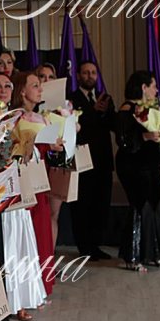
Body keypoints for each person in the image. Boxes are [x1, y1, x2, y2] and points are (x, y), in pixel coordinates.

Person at [114, 71, 160, 271]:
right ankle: (132, 256)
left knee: (155, 203)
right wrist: (145, 137)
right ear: (143, 87)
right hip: (132, 164)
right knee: (139, 205)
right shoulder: (127, 109)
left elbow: (157, 141)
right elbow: (123, 141)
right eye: (153, 86)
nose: (156, 90)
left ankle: (153, 253)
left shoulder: (151, 109)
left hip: (151, 163)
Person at [11, 71, 57, 301]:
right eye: (35, 85)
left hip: (41, 176)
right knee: (31, 230)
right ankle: (30, 288)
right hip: (26, 178)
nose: (40, 89)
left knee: (43, 225)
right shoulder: (16, 118)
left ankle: (42, 284)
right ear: (22, 90)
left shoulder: (41, 116)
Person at [68, 60, 115, 261]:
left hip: (103, 160)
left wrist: (105, 112)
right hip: (82, 159)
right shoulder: (71, 99)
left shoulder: (105, 98)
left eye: (93, 73)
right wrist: (92, 111)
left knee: (101, 204)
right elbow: (75, 128)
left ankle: (96, 245)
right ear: (78, 75)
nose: (90, 76)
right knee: (83, 205)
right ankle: (84, 247)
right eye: (86, 72)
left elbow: (112, 125)